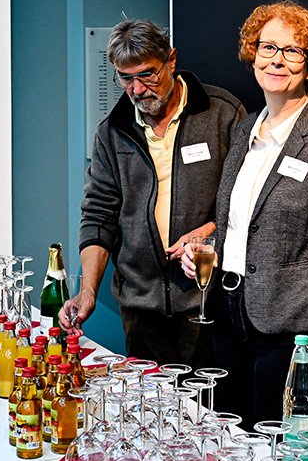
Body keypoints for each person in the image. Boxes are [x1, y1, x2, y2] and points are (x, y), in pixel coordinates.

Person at [183, 0, 308, 428]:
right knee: (232, 440)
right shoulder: (245, 129)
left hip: (297, 328)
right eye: (267, 47)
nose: (276, 59)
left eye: (292, 51)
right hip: (230, 316)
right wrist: (208, 252)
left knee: (281, 450)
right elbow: (243, 224)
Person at [59, 19, 245, 367]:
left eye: (147, 75)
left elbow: (248, 202)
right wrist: (87, 292)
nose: (138, 89)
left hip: (209, 301)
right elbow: (98, 216)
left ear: (171, 60)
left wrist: (209, 232)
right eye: (125, 78)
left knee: (210, 399)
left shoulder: (222, 113)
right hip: (141, 309)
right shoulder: (112, 131)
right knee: (151, 399)